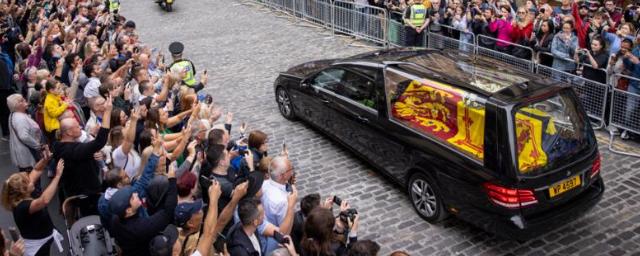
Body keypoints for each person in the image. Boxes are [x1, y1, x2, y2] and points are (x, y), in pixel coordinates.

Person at [52, 96, 113, 214]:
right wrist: (108, 112)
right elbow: (99, 142)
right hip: (85, 195)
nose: (80, 127)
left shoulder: (58, 145)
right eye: (77, 126)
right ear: (69, 132)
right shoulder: (73, 150)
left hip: (74, 190)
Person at [109, 158, 177, 256]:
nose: (136, 195)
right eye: (133, 198)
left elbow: (140, 184)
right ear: (128, 210)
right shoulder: (142, 227)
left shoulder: (115, 219)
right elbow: (168, 212)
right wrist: (172, 180)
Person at [1, 156, 64, 256]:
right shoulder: (22, 207)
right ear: (23, 190)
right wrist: (57, 176)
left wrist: (45, 159)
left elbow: (36, 170)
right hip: (38, 247)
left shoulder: (21, 195)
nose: (31, 180)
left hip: (43, 239)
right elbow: (44, 200)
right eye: (29, 181)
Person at [227, 198, 297, 256]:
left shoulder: (250, 227)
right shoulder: (241, 251)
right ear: (255, 222)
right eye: (262, 213)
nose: (264, 215)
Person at [260, 156, 298, 254]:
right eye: (291, 169)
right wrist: (291, 206)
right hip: (274, 242)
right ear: (282, 175)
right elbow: (285, 231)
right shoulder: (282, 201)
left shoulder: (264, 184)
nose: (293, 170)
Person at [7, 94, 43, 172]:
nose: (25, 101)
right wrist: (37, 145)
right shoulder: (20, 118)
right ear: (16, 105)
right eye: (22, 100)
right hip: (28, 152)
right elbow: (24, 136)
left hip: (24, 152)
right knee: (32, 178)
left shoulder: (13, 114)